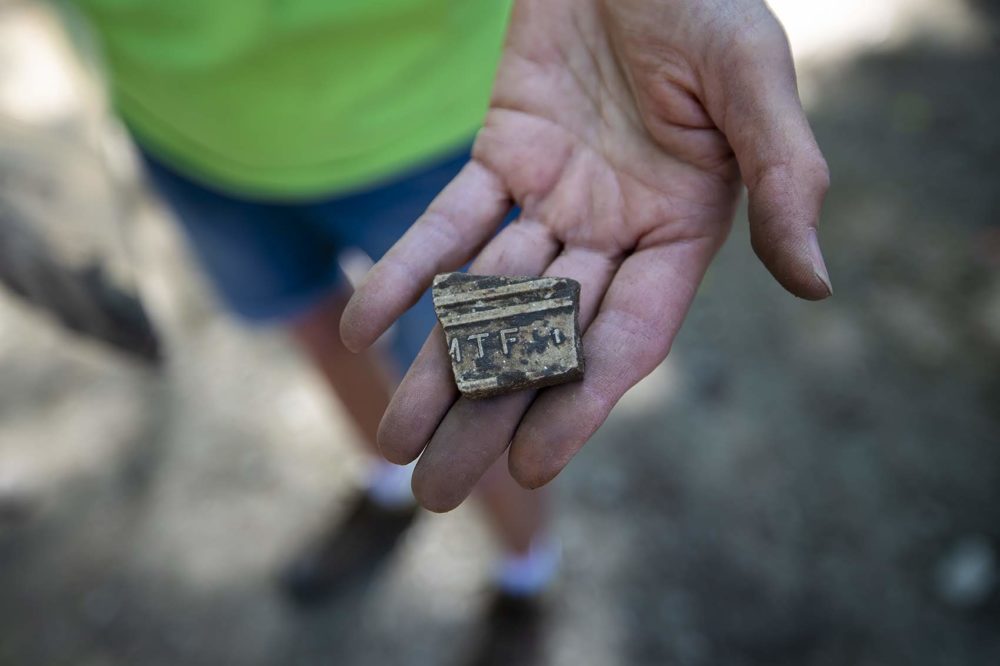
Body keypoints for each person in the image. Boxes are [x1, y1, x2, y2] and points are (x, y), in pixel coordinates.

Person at [74, 0, 830, 660]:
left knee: (493, 407)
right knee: (319, 329)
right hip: (185, 125)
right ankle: (388, 485)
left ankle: (526, 576)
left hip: (478, 120)